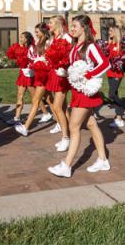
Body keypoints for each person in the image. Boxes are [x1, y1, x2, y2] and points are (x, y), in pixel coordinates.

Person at [48, 15, 110, 178]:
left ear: (84, 28)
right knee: (91, 124)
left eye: (75, 26)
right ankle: (103, 159)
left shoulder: (90, 46)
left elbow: (105, 64)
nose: (72, 29)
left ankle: (66, 166)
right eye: (72, 26)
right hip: (77, 91)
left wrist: (90, 75)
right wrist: (64, 71)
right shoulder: (75, 46)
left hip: (86, 92)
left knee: (74, 127)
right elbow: (74, 68)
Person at [7, 31, 51, 125]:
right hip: (23, 73)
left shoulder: (32, 48)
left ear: (27, 39)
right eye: (20, 37)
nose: (20, 39)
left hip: (29, 74)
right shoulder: (20, 47)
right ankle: (17, 117)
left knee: (35, 97)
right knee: (21, 95)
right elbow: (16, 58)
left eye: (22, 37)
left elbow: (34, 59)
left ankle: (46, 113)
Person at [15, 23, 51, 137]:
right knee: (52, 102)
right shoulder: (38, 43)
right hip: (38, 73)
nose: (36, 34)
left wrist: (40, 62)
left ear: (43, 31)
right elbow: (35, 57)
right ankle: (61, 124)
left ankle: (25, 127)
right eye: (35, 32)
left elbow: (49, 58)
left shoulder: (47, 42)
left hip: (44, 74)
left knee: (37, 100)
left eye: (37, 32)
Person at [45, 15, 72, 152]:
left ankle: (65, 138)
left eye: (50, 22)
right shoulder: (52, 39)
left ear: (57, 24)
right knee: (64, 107)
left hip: (62, 76)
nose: (48, 25)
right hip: (54, 74)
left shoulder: (66, 37)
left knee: (56, 107)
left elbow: (72, 56)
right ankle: (70, 133)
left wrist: (65, 69)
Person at [106, 25, 125, 128]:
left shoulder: (121, 45)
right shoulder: (109, 44)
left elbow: (124, 59)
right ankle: (119, 119)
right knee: (115, 95)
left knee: (111, 95)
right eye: (109, 30)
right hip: (109, 73)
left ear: (116, 32)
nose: (109, 32)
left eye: (111, 30)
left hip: (117, 73)